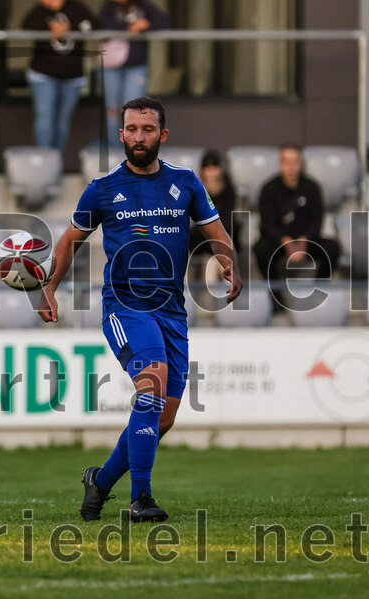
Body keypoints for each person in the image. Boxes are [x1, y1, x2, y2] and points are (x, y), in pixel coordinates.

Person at [38, 96, 241, 524]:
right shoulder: (102, 189)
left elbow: (215, 229)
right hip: (125, 305)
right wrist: (48, 289)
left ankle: (100, 480)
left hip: (172, 310)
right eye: (131, 129)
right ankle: (141, 498)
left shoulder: (185, 183)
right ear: (122, 134)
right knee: (151, 385)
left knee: (162, 418)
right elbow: (69, 241)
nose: (139, 137)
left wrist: (229, 262)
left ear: (162, 135)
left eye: (147, 130)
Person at [254, 143, 341, 309]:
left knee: (333, 248)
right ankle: (275, 298)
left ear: (301, 163)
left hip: (305, 240)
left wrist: (304, 239)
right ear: (280, 163)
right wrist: (285, 240)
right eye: (286, 161)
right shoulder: (269, 188)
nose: (291, 165)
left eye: (295, 161)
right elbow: (267, 223)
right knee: (260, 250)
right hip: (279, 241)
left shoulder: (312, 187)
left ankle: (318, 293)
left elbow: (317, 220)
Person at [21, 0, 99, 154]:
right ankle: (44, 162)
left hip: (72, 76)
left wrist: (69, 29)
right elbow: (25, 28)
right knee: (45, 118)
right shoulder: (40, 11)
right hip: (43, 73)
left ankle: (55, 159)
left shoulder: (76, 7)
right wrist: (49, 29)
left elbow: (93, 26)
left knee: (62, 121)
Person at [99, 0, 169, 146]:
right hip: (111, 65)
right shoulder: (108, 6)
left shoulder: (143, 5)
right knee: (113, 110)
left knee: (133, 111)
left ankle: (131, 151)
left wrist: (146, 24)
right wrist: (129, 26)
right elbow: (101, 24)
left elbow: (164, 22)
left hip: (136, 65)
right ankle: (115, 150)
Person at [189, 150, 238, 280]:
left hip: (222, 236)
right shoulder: (197, 189)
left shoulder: (229, 190)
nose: (211, 172)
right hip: (202, 239)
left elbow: (226, 219)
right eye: (207, 168)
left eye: (214, 167)